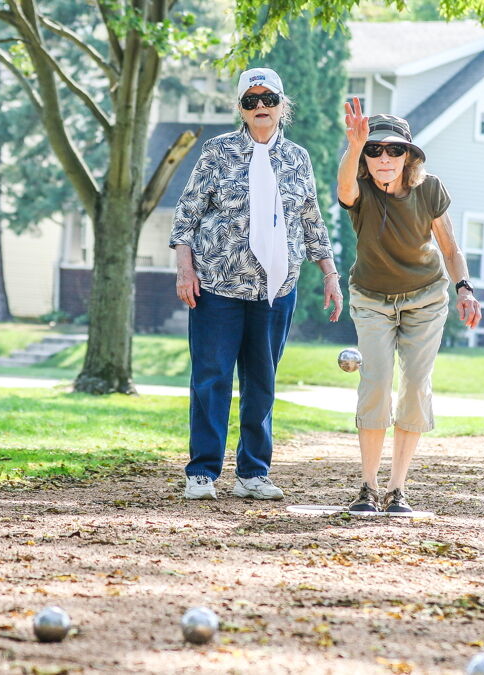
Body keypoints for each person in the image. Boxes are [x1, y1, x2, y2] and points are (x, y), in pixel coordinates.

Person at [170, 68, 341, 501]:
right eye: (251, 101)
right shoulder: (217, 151)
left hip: (276, 289)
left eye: (268, 99)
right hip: (217, 286)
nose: (260, 107)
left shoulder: (297, 158)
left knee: (262, 381)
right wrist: (185, 270)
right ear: (241, 109)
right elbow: (187, 215)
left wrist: (330, 276)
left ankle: (253, 473)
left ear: (283, 105)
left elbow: (311, 219)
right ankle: (203, 472)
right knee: (212, 378)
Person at [336, 100, 482, 514]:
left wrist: (465, 289)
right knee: (377, 383)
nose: (384, 157)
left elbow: (450, 247)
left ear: (409, 155)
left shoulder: (429, 188)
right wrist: (353, 145)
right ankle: (368, 486)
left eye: (394, 150)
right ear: (365, 157)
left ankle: (397, 488)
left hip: (425, 298)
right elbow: (344, 189)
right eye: (375, 150)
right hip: (371, 297)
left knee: (416, 386)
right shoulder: (360, 188)